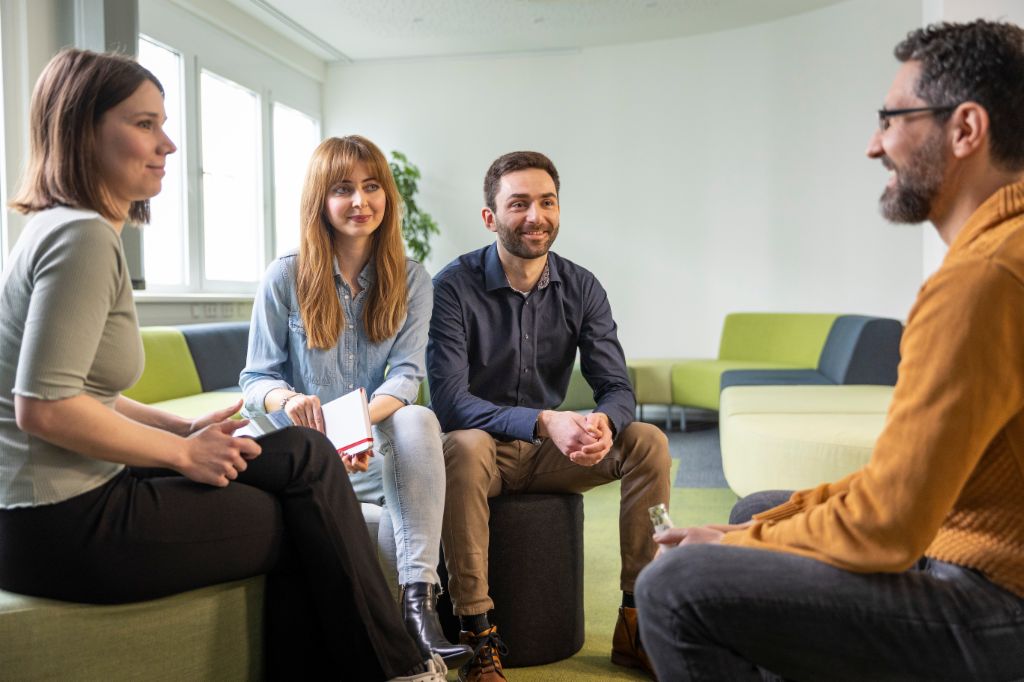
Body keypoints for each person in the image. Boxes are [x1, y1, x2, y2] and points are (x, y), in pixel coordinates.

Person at [0, 48, 447, 682]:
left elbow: (83, 390)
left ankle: (396, 655)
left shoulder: (62, 229)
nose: (169, 144)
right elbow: (43, 408)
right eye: (146, 124)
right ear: (83, 129)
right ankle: (400, 668)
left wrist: (178, 429)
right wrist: (181, 456)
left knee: (304, 459)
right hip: (65, 525)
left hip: (56, 511)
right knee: (307, 504)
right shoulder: (81, 238)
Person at [635, 19, 1024, 681]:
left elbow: (888, 526)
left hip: (995, 599)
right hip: (973, 543)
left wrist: (735, 549)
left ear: (965, 130)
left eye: (892, 118)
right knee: (753, 510)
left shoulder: (983, 278)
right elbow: (903, 480)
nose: (875, 145)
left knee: (676, 589)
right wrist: (752, 534)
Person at [427, 150, 672, 681]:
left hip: (549, 456)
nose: (535, 216)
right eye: (519, 204)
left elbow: (615, 386)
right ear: (491, 217)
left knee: (648, 439)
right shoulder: (451, 287)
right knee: (464, 445)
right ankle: (477, 633)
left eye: (546, 202)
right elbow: (449, 402)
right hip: (482, 452)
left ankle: (636, 620)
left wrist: (604, 421)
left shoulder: (582, 287)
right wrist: (545, 421)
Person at [240, 134, 470, 668]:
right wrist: (290, 399)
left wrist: (353, 428)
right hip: (302, 461)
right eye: (343, 189)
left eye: (371, 187)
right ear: (320, 199)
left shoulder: (412, 280)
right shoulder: (285, 276)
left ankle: (419, 608)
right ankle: (412, 656)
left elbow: (408, 376)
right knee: (400, 534)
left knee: (416, 419)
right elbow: (254, 381)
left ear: (388, 197)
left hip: (366, 457)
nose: (359, 201)